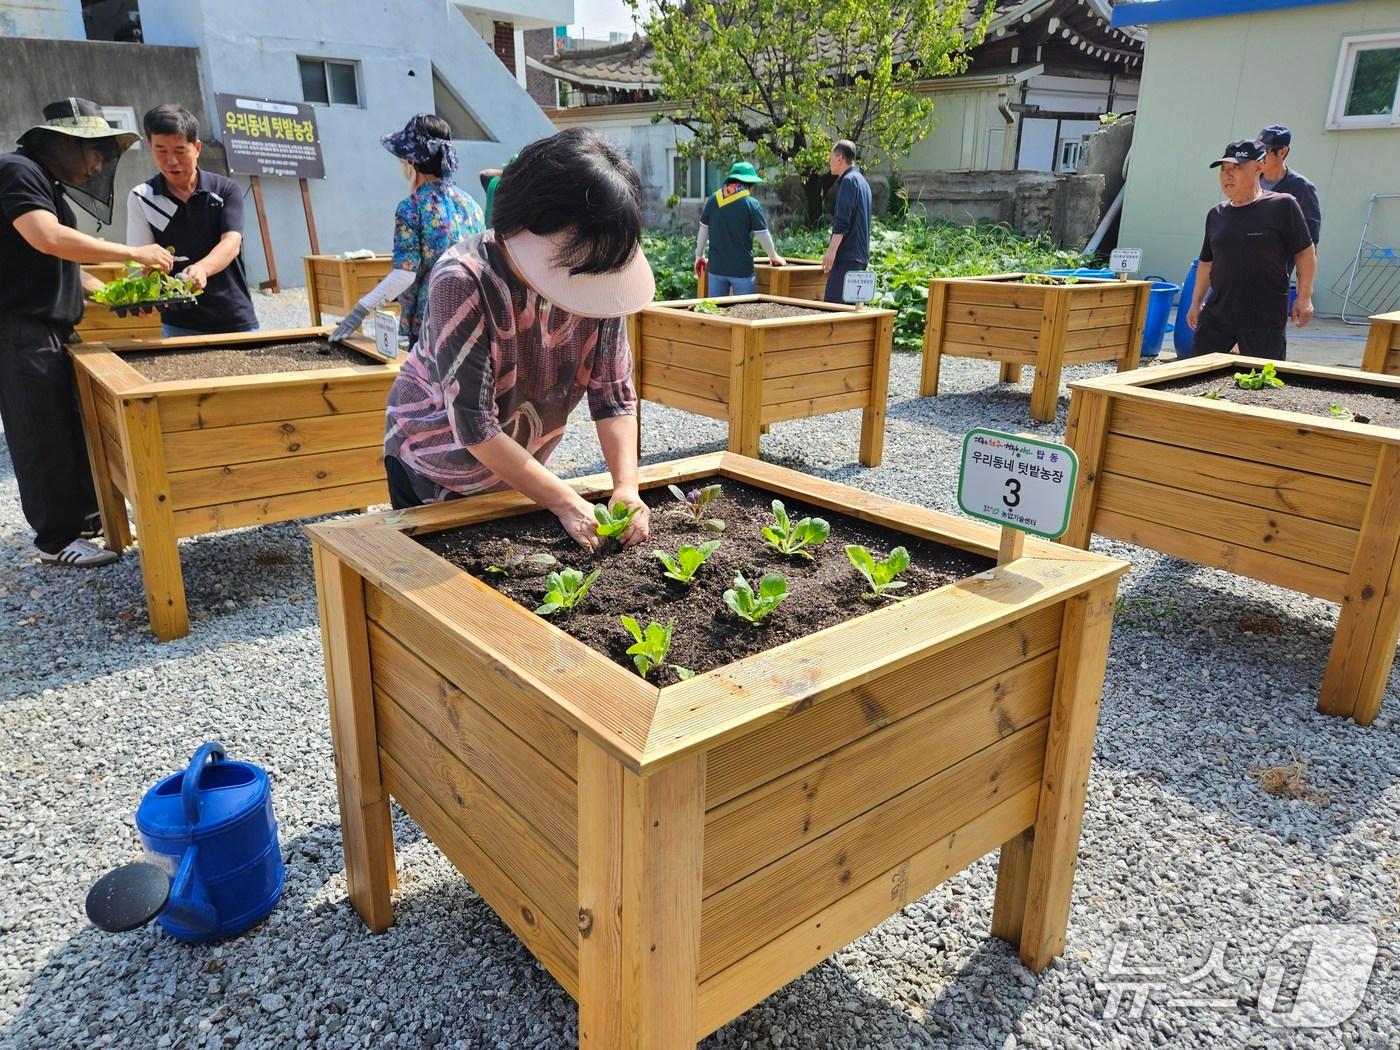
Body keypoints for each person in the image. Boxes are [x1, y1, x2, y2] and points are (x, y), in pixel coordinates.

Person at [383, 128, 655, 554]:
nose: (591, 280)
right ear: (531, 223)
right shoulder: (464, 279)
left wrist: (626, 487)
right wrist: (565, 502)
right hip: (433, 465)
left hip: (518, 472)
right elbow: (475, 425)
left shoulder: (600, 277)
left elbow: (613, 396)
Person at [0, 97, 172, 567]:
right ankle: (55, 540)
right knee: (41, 432)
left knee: (75, 424)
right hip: (20, 328)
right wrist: (132, 254)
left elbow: (63, 265)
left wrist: (115, 295)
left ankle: (87, 520)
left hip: (53, 326)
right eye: (94, 150)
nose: (98, 164)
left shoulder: (46, 183)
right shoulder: (17, 171)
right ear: (63, 144)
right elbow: (48, 238)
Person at [331, 114, 484, 347]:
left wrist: (360, 310)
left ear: (412, 162)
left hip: (433, 325)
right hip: (474, 319)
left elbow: (404, 274)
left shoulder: (412, 208)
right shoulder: (470, 204)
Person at [126, 104, 259, 338]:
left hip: (234, 315)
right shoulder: (142, 197)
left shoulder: (225, 189)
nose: (171, 161)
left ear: (197, 148)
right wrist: (144, 294)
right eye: (160, 151)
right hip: (179, 323)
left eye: (180, 150)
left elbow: (231, 243)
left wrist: (202, 269)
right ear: (150, 147)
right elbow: (141, 258)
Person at [1186, 139, 1316, 361]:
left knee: (1261, 377)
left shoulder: (1282, 205)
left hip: (1264, 316)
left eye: (1236, 167)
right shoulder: (1216, 214)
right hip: (1219, 312)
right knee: (1197, 370)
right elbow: (1207, 261)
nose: (1227, 175)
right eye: (1223, 169)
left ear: (1259, 166)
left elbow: (1305, 252)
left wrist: (1304, 297)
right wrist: (1196, 302)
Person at [693, 161, 785, 296]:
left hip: (716, 268)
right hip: (741, 270)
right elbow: (762, 234)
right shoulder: (751, 204)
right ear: (749, 184)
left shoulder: (713, 200)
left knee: (715, 308)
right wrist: (774, 256)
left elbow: (703, 229)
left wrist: (699, 256)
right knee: (744, 307)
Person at [821, 139, 871, 303]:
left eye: (831, 157)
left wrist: (831, 251)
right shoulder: (863, 182)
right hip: (860, 258)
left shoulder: (848, 181)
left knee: (833, 309)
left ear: (840, 158)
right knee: (852, 311)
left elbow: (842, 222)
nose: (829, 162)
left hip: (846, 259)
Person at [1258, 124, 1321, 247]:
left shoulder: (1302, 188)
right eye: (1256, 150)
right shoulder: (1249, 180)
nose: (1258, 157)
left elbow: (1310, 237)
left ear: (1282, 152)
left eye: (1264, 151)